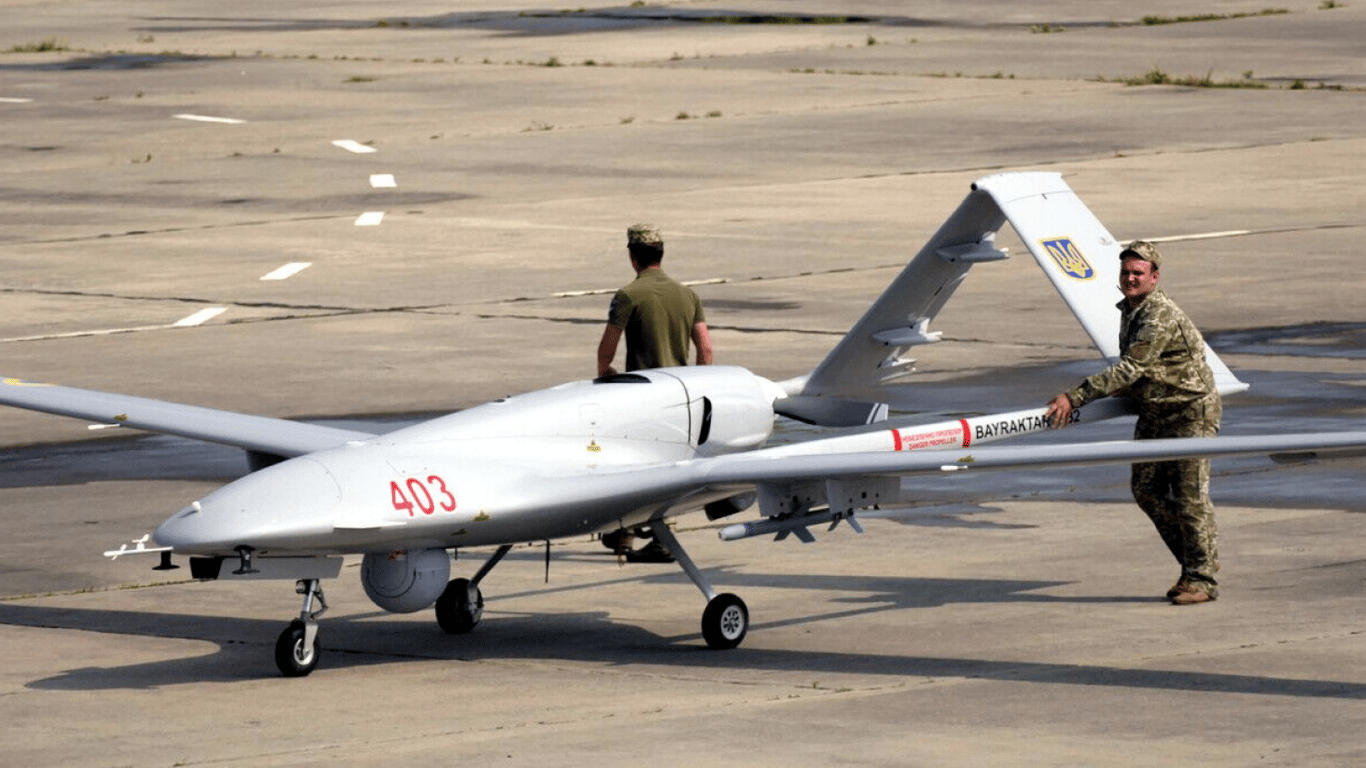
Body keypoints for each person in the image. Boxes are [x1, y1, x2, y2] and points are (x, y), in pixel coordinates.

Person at [1045, 241, 1222, 605]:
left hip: (1189, 411)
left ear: (1154, 277)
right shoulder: (1131, 309)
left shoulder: (1158, 315)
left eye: (1138, 273)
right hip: (1156, 410)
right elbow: (1141, 369)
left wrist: (1075, 397)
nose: (1130, 279)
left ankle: (1202, 579)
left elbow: (1131, 367)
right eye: (1126, 272)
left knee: (1190, 498)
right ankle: (1193, 567)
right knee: (1147, 490)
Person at [596, 223, 713, 562]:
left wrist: (606, 374)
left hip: (641, 399)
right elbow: (706, 349)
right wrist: (697, 385)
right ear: (661, 255)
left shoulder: (628, 295)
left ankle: (648, 538)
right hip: (679, 396)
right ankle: (627, 533)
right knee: (669, 466)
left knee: (634, 467)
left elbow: (606, 351)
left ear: (633, 257)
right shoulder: (687, 295)